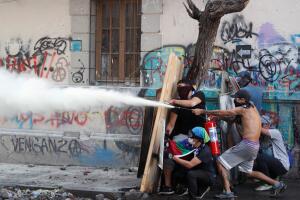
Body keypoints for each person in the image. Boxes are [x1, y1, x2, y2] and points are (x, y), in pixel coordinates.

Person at [159, 79, 206, 195]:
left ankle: (187, 185)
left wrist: (174, 101)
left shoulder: (199, 95)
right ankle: (168, 186)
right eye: (178, 87)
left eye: (183, 86)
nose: (181, 89)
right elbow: (171, 124)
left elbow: (191, 104)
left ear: (191, 87)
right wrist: (166, 137)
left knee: (189, 157)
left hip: (198, 138)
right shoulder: (177, 105)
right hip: (182, 137)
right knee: (168, 154)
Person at [172, 127, 216, 200]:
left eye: (192, 137)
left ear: (199, 139)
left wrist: (175, 158)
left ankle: (193, 197)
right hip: (199, 170)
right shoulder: (196, 146)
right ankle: (188, 188)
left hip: (208, 175)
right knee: (180, 170)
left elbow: (190, 165)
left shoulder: (205, 151)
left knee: (191, 174)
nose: (190, 138)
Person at [249, 115, 289, 194]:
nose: (259, 126)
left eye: (261, 124)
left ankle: (268, 183)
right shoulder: (262, 138)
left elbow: (261, 130)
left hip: (282, 165)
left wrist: (251, 124)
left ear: (267, 125)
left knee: (260, 157)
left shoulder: (275, 132)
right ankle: (271, 178)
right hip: (274, 165)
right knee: (252, 160)